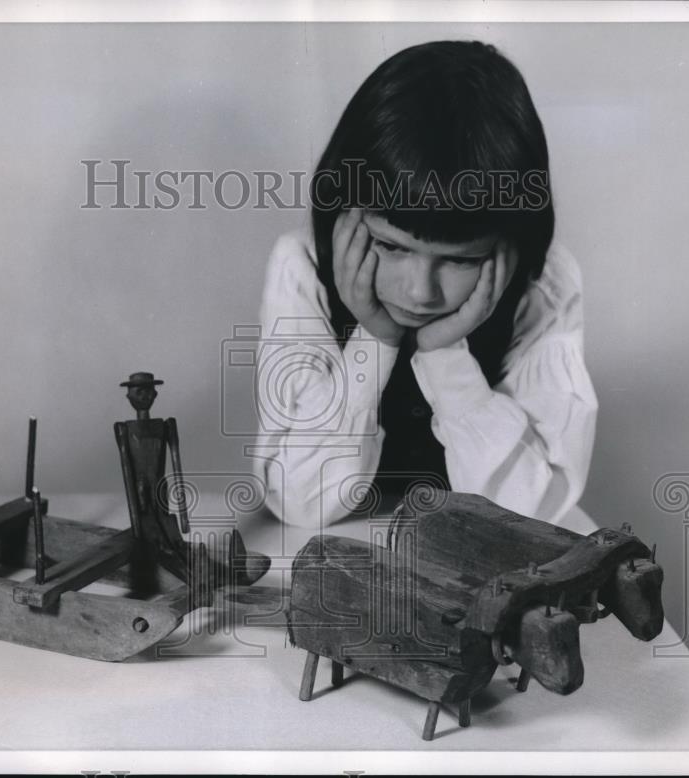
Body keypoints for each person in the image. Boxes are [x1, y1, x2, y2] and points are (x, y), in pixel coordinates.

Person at [251, 40, 598, 529]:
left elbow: (527, 513)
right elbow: (298, 502)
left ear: (511, 240)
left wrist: (445, 355)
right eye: (391, 246)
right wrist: (373, 342)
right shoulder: (303, 263)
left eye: (462, 260)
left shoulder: (546, 285)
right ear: (343, 212)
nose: (420, 292)